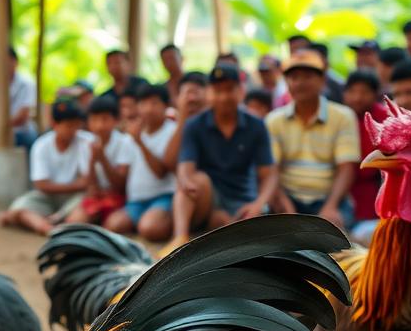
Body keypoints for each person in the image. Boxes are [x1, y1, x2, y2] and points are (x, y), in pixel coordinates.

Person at [168, 64, 277, 252]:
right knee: (194, 181)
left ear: (241, 91)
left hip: (243, 199)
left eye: (230, 89)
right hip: (210, 197)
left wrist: (258, 204)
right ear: (209, 93)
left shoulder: (256, 125)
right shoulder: (194, 125)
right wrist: (186, 181)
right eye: (218, 90)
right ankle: (179, 238)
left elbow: (269, 174)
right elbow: (185, 166)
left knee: (231, 226)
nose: (224, 96)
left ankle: (221, 224)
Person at [265, 50, 360, 229]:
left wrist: (330, 207)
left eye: (308, 76)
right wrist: (286, 208)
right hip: (288, 198)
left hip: (330, 198)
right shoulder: (273, 120)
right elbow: (272, 171)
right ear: (286, 82)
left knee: (335, 245)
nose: (300, 83)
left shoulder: (343, 116)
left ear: (322, 80)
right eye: (294, 77)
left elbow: (346, 169)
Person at [0, 98, 92, 235]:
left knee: (85, 201)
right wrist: (78, 185)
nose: (73, 130)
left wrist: (80, 186)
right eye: (69, 125)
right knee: (21, 207)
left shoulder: (87, 141)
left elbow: (88, 183)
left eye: (76, 125)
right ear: (55, 124)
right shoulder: (41, 145)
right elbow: (41, 185)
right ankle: (47, 227)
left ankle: (47, 223)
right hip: (47, 196)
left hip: (73, 197)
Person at [105, 83, 177, 241]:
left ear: (166, 106)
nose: (148, 109)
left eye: (155, 103)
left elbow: (161, 172)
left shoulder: (172, 131)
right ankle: (145, 220)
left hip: (163, 196)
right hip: (135, 201)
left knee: (150, 229)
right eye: (144, 103)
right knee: (113, 225)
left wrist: (140, 142)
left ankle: (162, 220)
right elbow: (122, 177)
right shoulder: (129, 136)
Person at [343, 70, 386, 245]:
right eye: (352, 91)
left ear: (375, 94)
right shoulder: (340, 117)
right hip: (345, 190)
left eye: (364, 92)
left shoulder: (385, 119)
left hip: (373, 192)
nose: (357, 97)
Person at [79, 96, 135, 226]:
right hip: (98, 197)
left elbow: (120, 185)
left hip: (119, 197)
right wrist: (93, 160)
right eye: (94, 119)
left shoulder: (124, 142)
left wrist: (102, 158)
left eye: (105, 119)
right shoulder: (86, 144)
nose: (99, 125)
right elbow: (90, 186)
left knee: (113, 225)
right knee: (76, 221)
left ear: (115, 120)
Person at [0, 47, 38, 148]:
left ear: (15, 62)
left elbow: (22, 117)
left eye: (6, 61)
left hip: (21, 132)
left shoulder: (26, 84)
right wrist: (0, 124)